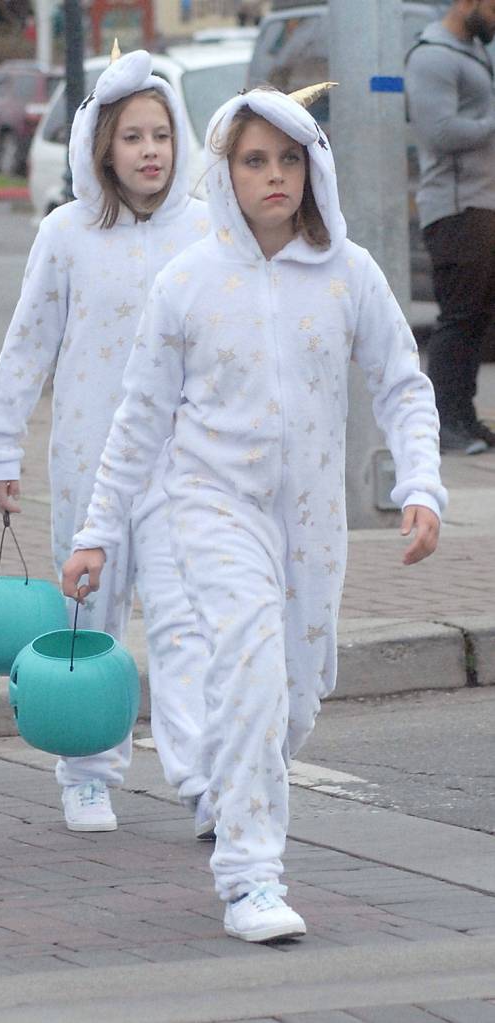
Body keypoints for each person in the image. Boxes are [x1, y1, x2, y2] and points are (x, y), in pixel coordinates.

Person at [62, 84, 446, 942]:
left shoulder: (349, 272)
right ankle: (248, 877)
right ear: (223, 172)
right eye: (252, 160)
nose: (274, 176)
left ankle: (243, 786)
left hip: (310, 522)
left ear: (313, 166)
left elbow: (400, 384)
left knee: (297, 692)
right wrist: (97, 530)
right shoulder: (187, 281)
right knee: (250, 671)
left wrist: (420, 484)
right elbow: (137, 418)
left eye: (288, 158)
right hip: (208, 506)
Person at [0, 49, 215, 836]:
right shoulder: (67, 233)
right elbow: (26, 345)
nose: (150, 151)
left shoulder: (210, 230)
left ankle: (201, 775)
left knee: (185, 625)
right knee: (92, 621)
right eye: (132, 137)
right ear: (101, 149)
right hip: (88, 460)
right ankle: (86, 771)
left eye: (161, 134)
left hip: (184, 466)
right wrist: (0, 447)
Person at [405, 0, 495, 454]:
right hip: (455, 208)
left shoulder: (475, 50)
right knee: (458, 320)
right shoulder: (432, 56)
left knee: (478, 319)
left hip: (482, 204)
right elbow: (439, 131)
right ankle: (441, 424)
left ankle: (464, 415)